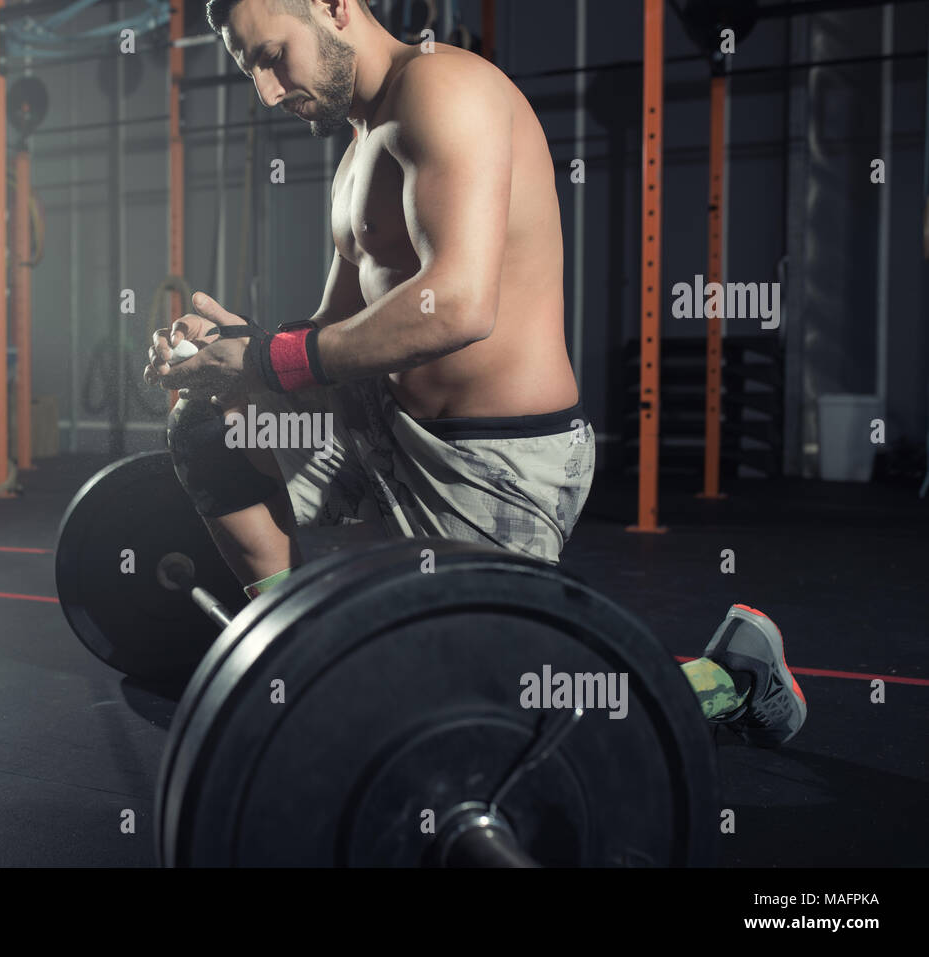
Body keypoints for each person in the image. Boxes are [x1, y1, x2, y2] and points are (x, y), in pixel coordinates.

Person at [144, 0, 805, 747]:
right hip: (385, 427)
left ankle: (732, 676)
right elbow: (326, 335)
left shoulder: (444, 90)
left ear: (334, 7)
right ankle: (298, 645)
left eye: (271, 57)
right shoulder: (360, 145)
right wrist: (232, 354)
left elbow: (457, 307)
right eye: (249, 71)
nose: (267, 91)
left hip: (492, 458)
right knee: (207, 426)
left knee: (477, 723)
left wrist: (268, 360)